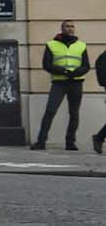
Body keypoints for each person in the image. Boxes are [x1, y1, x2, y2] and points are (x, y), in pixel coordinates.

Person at [34, 20, 89, 150]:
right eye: (67, 26)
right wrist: (63, 71)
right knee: (50, 111)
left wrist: (76, 73)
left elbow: (86, 65)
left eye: (72, 26)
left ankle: (70, 142)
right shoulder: (51, 44)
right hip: (59, 83)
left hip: (76, 83)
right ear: (62, 28)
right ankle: (41, 142)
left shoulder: (81, 45)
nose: (70, 29)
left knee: (74, 113)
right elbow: (46, 64)